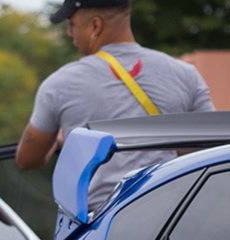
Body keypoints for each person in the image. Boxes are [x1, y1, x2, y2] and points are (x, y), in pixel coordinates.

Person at [16, 0, 213, 210]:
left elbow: (27, 159)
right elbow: (211, 149)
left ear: (95, 26)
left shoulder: (60, 83)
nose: (69, 33)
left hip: (98, 223)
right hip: (170, 217)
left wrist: (61, 140)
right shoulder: (186, 75)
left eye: (72, 25)